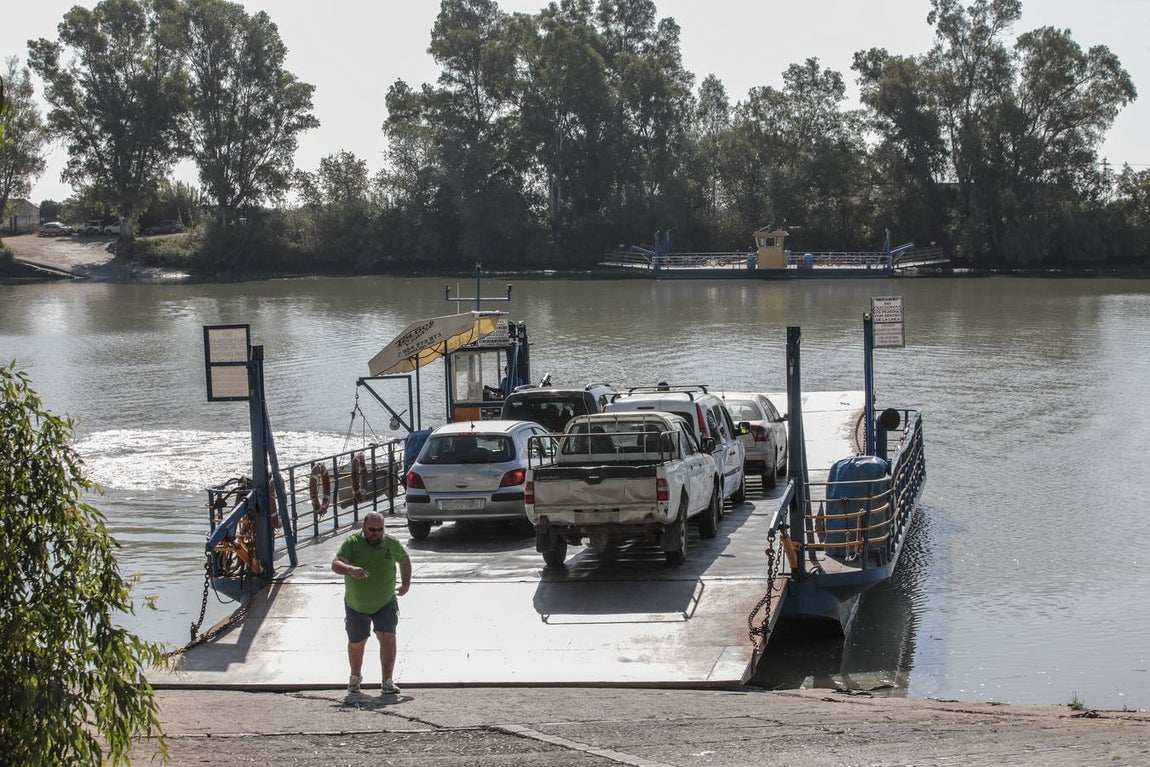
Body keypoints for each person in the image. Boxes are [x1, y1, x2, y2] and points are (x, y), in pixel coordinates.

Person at [331, 512, 411, 695]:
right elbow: (336, 564)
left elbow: (405, 560)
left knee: (388, 637)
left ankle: (387, 681)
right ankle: (355, 678)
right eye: (371, 530)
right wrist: (350, 570)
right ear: (364, 528)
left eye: (379, 530)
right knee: (357, 643)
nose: (375, 533)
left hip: (385, 601)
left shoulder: (391, 543)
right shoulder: (351, 543)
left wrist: (406, 585)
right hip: (356, 604)